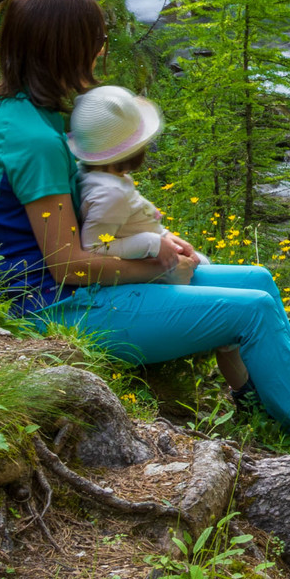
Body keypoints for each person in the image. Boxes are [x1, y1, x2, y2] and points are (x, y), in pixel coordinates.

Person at [0, 0, 290, 452]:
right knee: (255, 311)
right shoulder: (34, 141)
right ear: (64, 47)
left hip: (75, 293)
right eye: (95, 38)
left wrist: (159, 240)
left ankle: (268, 409)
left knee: (260, 281)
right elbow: (67, 265)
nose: (102, 47)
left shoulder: (26, 115)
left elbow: (94, 221)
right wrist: (159, 264)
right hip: (57, 309)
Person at [71, 82, 253, 410]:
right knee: (234, 318)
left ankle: (244, 387)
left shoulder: (104, 179)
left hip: (159, 258)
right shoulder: (109, 193)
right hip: (155, 271)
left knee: (236, 289)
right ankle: (246, 394)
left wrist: (165, 235)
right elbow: (95, 248)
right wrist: (153, 243)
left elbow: (129, 223)